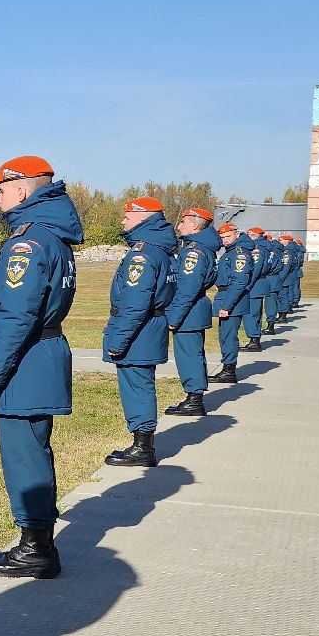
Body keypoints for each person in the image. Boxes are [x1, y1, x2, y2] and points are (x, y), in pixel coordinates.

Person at [0, 155, 82, 580]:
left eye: (1, 192)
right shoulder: (52, 237)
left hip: (28, 358)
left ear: (20, 190)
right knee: (33, 451)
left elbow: (16, 317)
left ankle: (35, 548)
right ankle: (36, 541)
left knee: (24, 456)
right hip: (41, 352)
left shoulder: (27, 242)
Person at [102, 197, 176, 467]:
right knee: (140, 385)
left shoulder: (142, 255)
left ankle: (142, 448)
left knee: (137, 387)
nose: (123, 220)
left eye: (127, 215)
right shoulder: (160, 250)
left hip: (139, 331)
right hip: (149, 327)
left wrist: (117, 340)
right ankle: (142, 443)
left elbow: (135, 303)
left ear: (144, 217)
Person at [164, 206, 220, 416]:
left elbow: (188, 288)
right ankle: (193, 396)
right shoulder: (203, 248)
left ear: (195, 225)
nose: (179, 225)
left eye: (183, 222)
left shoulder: (194, 251)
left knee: (188, 355)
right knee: (193, 354)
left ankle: (194, 400)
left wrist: (173, 317)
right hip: (195, 308)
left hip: (190, 310)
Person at [211, 223, 250, 384]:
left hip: (231, 299)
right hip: (226, 296)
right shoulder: (230, 252)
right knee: (224, 336)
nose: (225, 240)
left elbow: (239, 282)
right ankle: (228, 367)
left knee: (228, 336)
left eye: (228, 236)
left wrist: (227, 306)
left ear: (237, 235)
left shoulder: (239, 254)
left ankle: (229, 371)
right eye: (222, 238)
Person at [241, 227, 273, 351]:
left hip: (255, 284)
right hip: (259, 283)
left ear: (254, 235)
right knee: (256, 312)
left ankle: (254, 340)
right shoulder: (264, 247)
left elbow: (256, 268)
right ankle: (255, 338)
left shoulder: (257, 249)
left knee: (251, 313)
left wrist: (247, 284)